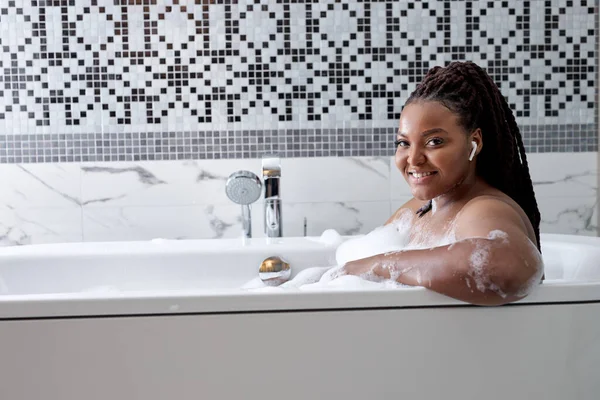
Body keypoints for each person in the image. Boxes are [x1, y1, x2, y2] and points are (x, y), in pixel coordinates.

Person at [336, 61, 544, 306]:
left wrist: (378, 264)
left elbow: (505, 268)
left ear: (474, 142)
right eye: (404, 143)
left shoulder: (484, 208)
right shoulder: (416, 210)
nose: (413, 158)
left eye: (434, 141)